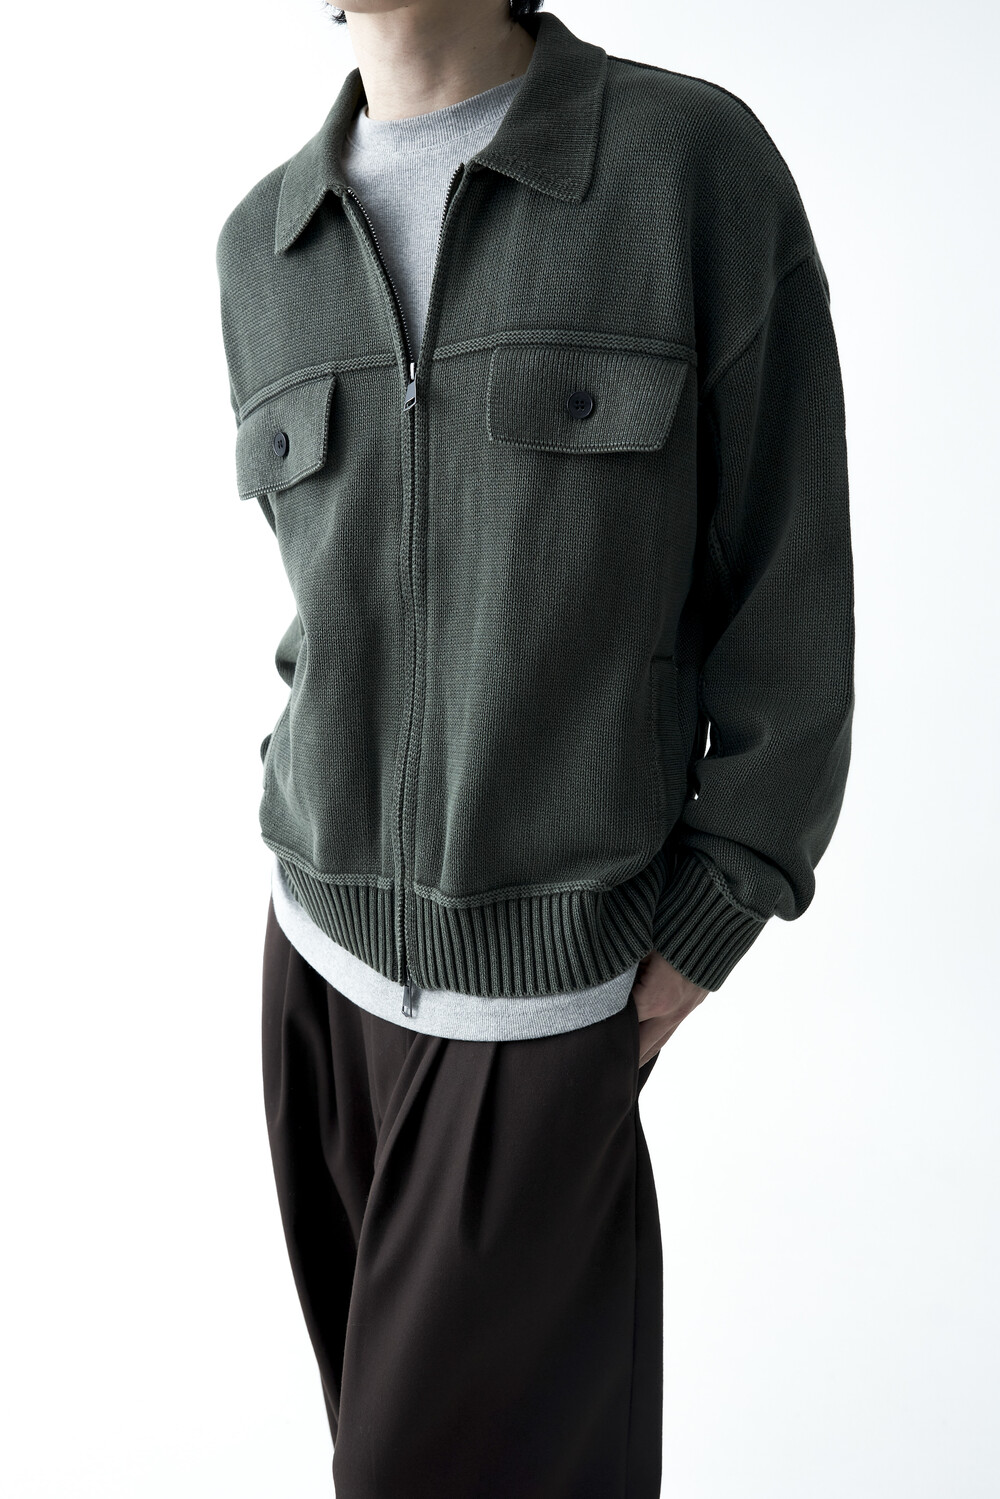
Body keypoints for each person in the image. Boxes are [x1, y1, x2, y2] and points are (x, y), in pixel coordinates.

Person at [214, 2, 855, 1493]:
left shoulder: (683, 166)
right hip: (312, 968)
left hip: (541, 996)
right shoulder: (264, 243)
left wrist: (718, 907)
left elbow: (791, 597)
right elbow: (335, 608)